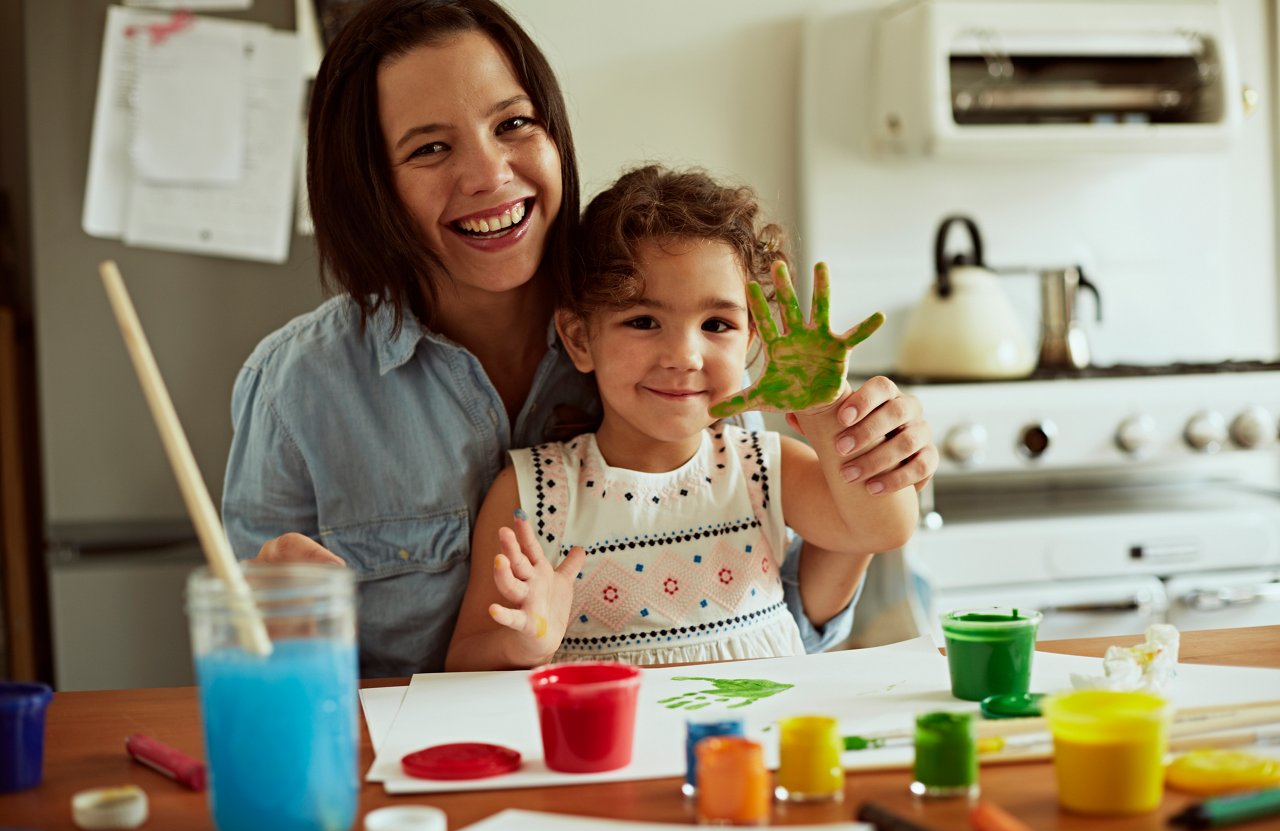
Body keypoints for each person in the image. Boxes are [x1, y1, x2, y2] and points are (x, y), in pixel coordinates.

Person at [221, 0, 938, 678]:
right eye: (432, 148)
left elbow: (798, 604)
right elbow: (260, 670)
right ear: (373, 188)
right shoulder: (297, 388)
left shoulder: (698, 382)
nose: (489, 175)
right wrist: (279, 632)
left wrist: (855, 439)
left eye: (513, 125)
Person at [445, 165, 923, 670]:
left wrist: (827, 408)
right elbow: (463, 660)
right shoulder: (530, 493)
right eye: (644, 321)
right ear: (581, 338)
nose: (684, 355)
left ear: (752, 341)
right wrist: (525, 644)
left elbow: (882, 529)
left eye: (717, 324)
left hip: (755, 743)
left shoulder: (765, 467)